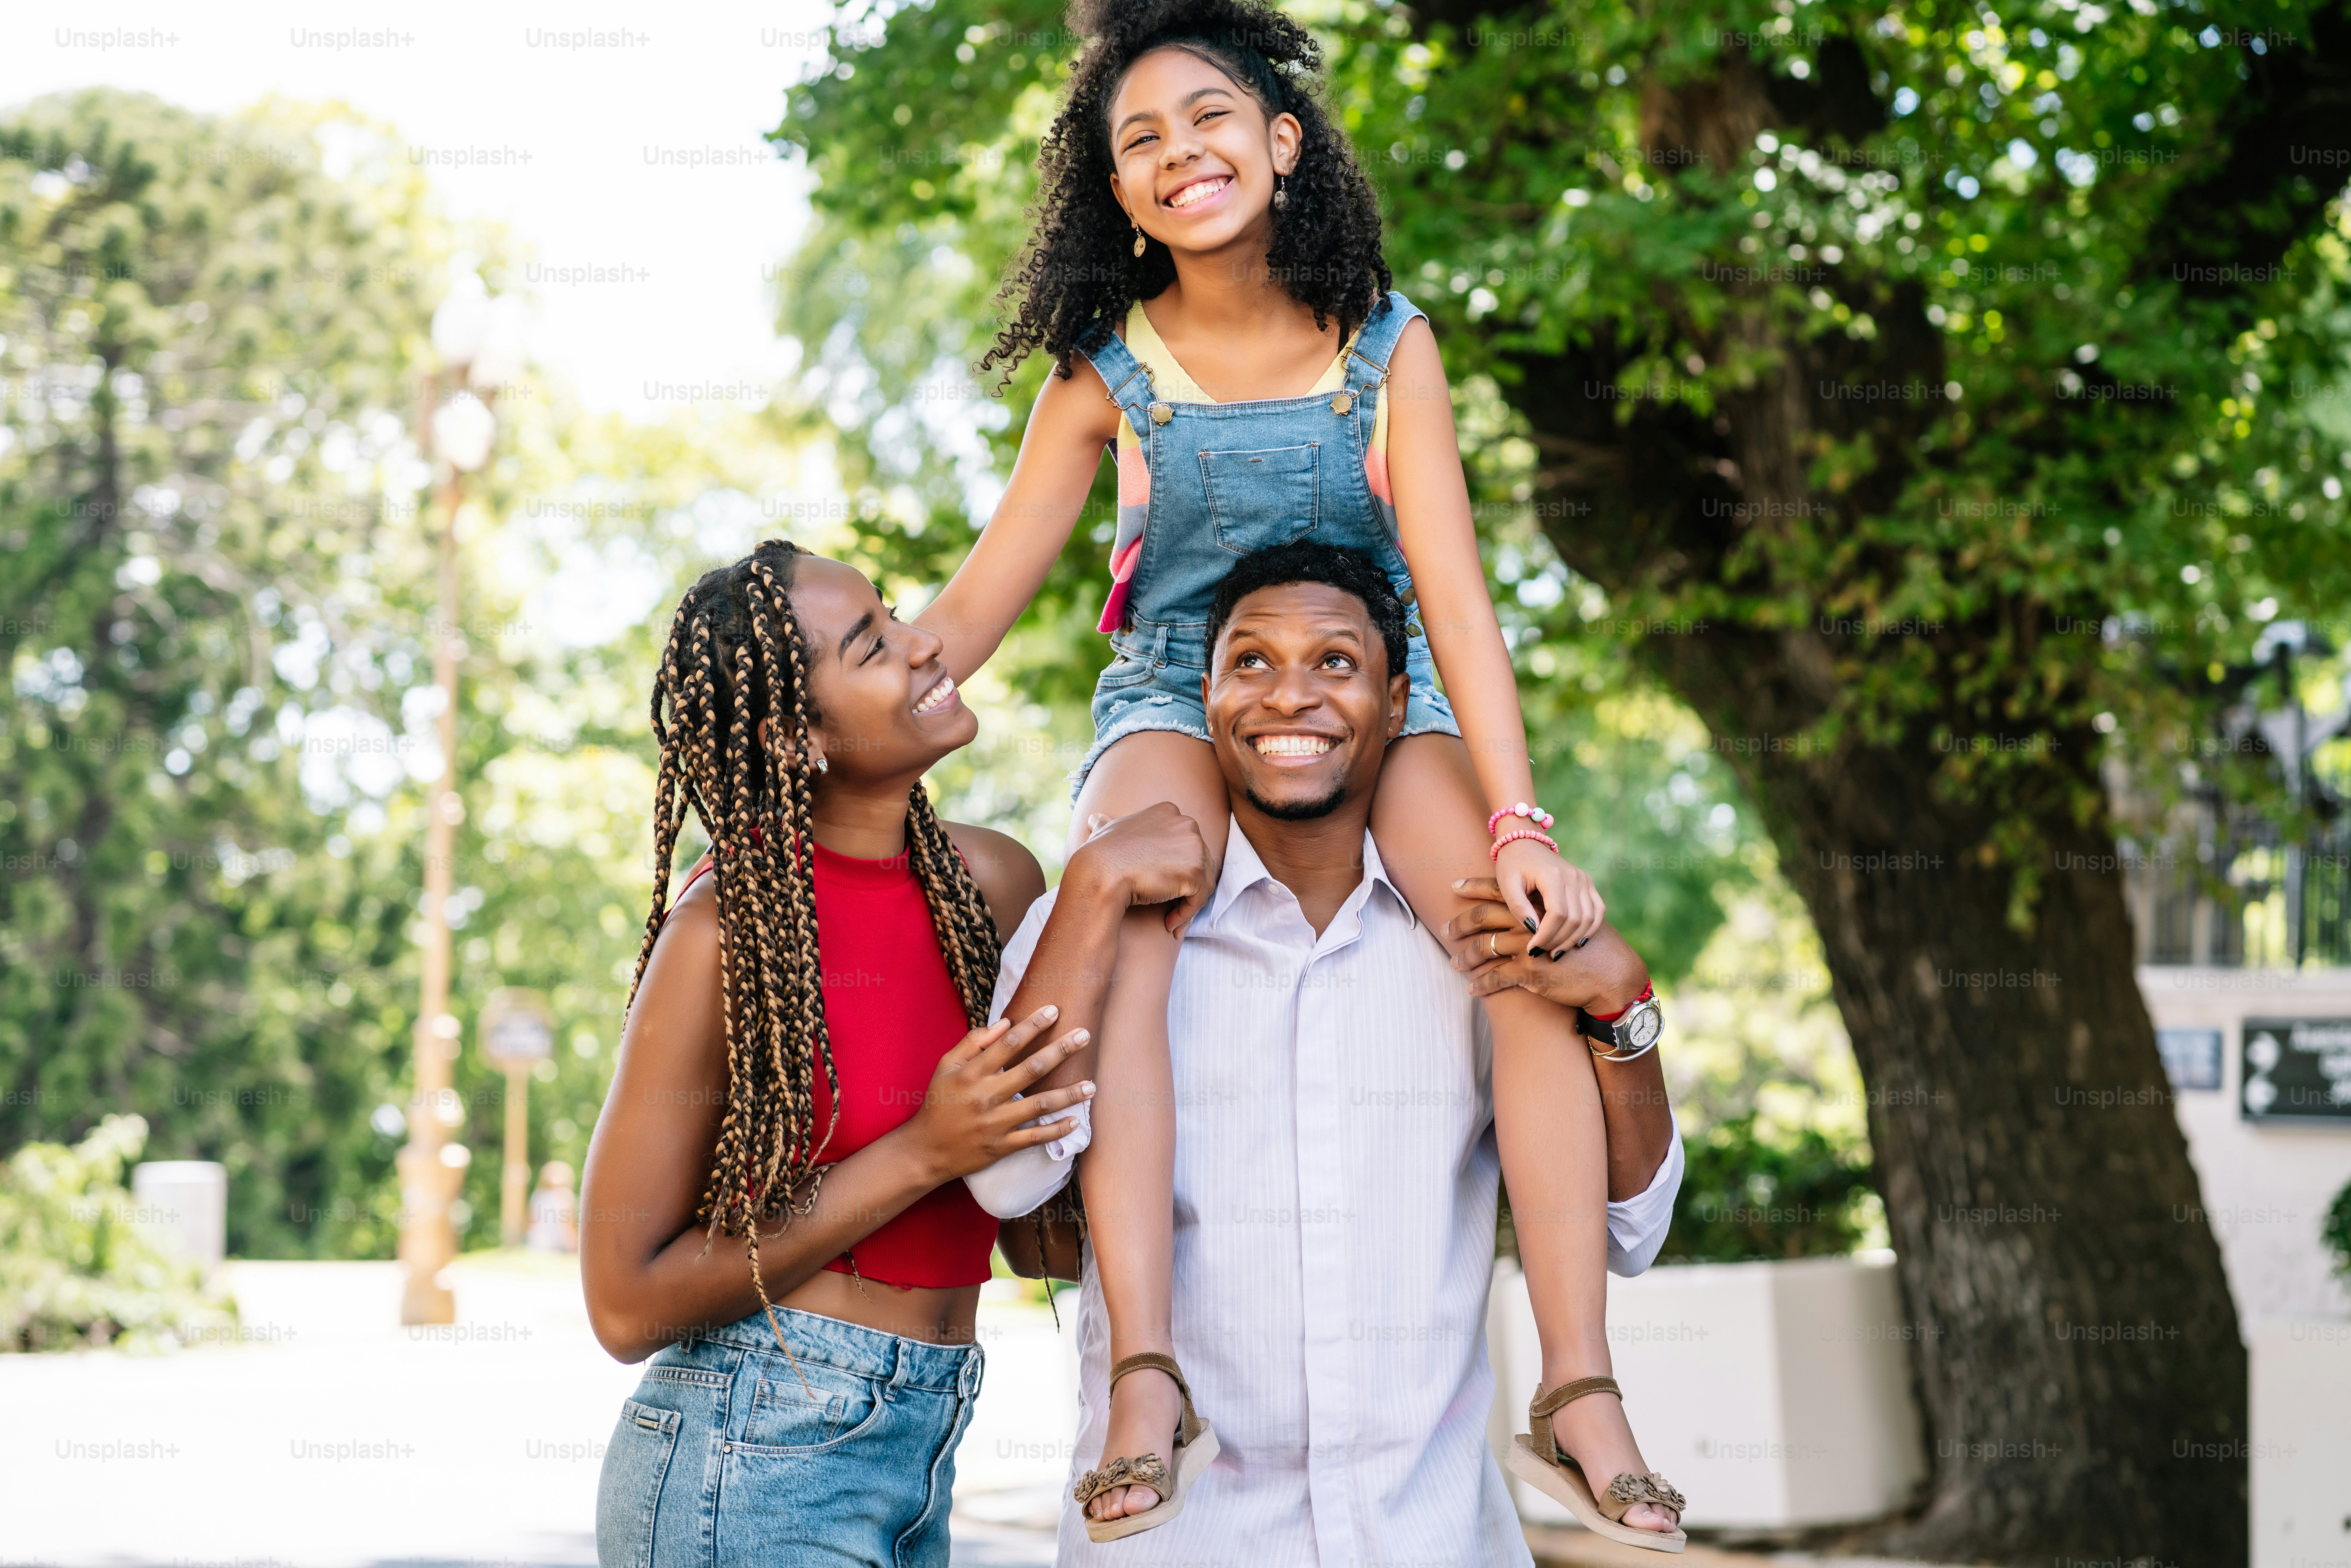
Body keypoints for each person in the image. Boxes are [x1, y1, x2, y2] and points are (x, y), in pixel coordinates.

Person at [917, 0, 1677, 1539]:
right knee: (1140, 902)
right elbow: (970, 614)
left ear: (1280, 142)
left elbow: (1454, 596)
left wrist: (1519, 823)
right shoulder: (1103, 373)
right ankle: (1147, 1362)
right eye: (1136, 141)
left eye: (1207, 119)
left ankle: (1578, 1380)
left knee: (1506, 938)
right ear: (1110, 191)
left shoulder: (1389, 344)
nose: (1176, 153)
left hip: (1362, 681)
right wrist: (833, 709)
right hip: (1177, 693)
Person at [967, 543, 1687, 1563]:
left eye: (1335, 664)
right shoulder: (1104, 918)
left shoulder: (1480, 932)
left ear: (1398, 703)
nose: (1288, 696)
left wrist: (1627, 1005)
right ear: (1204, 697)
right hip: (1179, 1544)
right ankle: (1147, 1378)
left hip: (1433, 1535)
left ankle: (1580, 1392)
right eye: (1251, 663)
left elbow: (1633, 1229)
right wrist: (1088, 894)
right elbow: (1004, 1178)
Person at [579, 540, 1209, 1568]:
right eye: (874, 645)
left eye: (897, 616)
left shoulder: (996, 885)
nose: (926, 646)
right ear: (793, 737)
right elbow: (623, 1297)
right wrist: (924, 1149)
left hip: (925, 1437)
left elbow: (1027, 1226)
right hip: (749, 1448)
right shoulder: (722, 931)